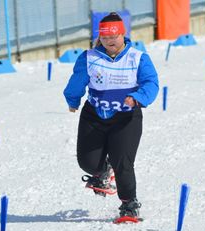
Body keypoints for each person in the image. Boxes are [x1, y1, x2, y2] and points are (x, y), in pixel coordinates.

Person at [63, 12, 159, 219]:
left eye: (113, 37)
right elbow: (77, 80)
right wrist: (73, 99)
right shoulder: (89, 58)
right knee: (87, 163)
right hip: (94, 115)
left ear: (122, 35)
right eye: (105, 38)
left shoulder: (138, 58)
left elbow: (151, 82)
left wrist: (138, 97)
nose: (109, 42)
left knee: (122, 162)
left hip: (126, 118)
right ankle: (102, 172)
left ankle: (129, 203)